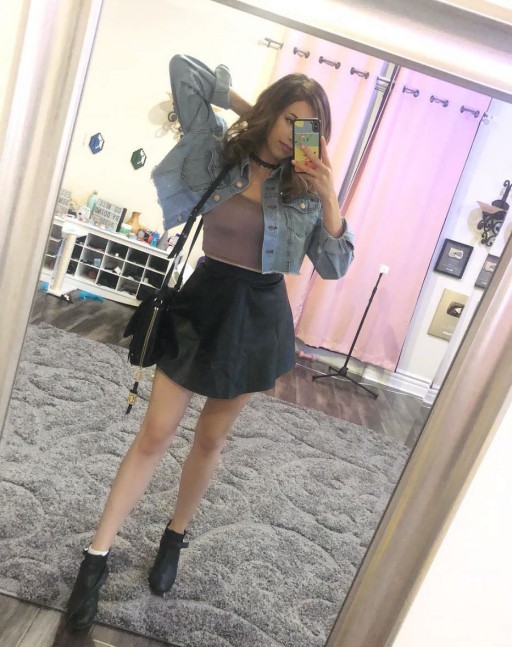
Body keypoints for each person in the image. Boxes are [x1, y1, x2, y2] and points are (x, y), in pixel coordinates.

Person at [66, 54, 355, 630]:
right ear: (273, 112)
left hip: (258, 316)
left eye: (309, 127)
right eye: (290, 119)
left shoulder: (303, 190)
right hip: (202, 302)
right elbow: (184, 71)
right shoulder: (220, 151)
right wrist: (255, 111)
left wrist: (329, 198)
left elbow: (335, 265)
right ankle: (94, 560)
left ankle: (174, 536)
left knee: (210, 440)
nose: (294, 134)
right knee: (155, 433)